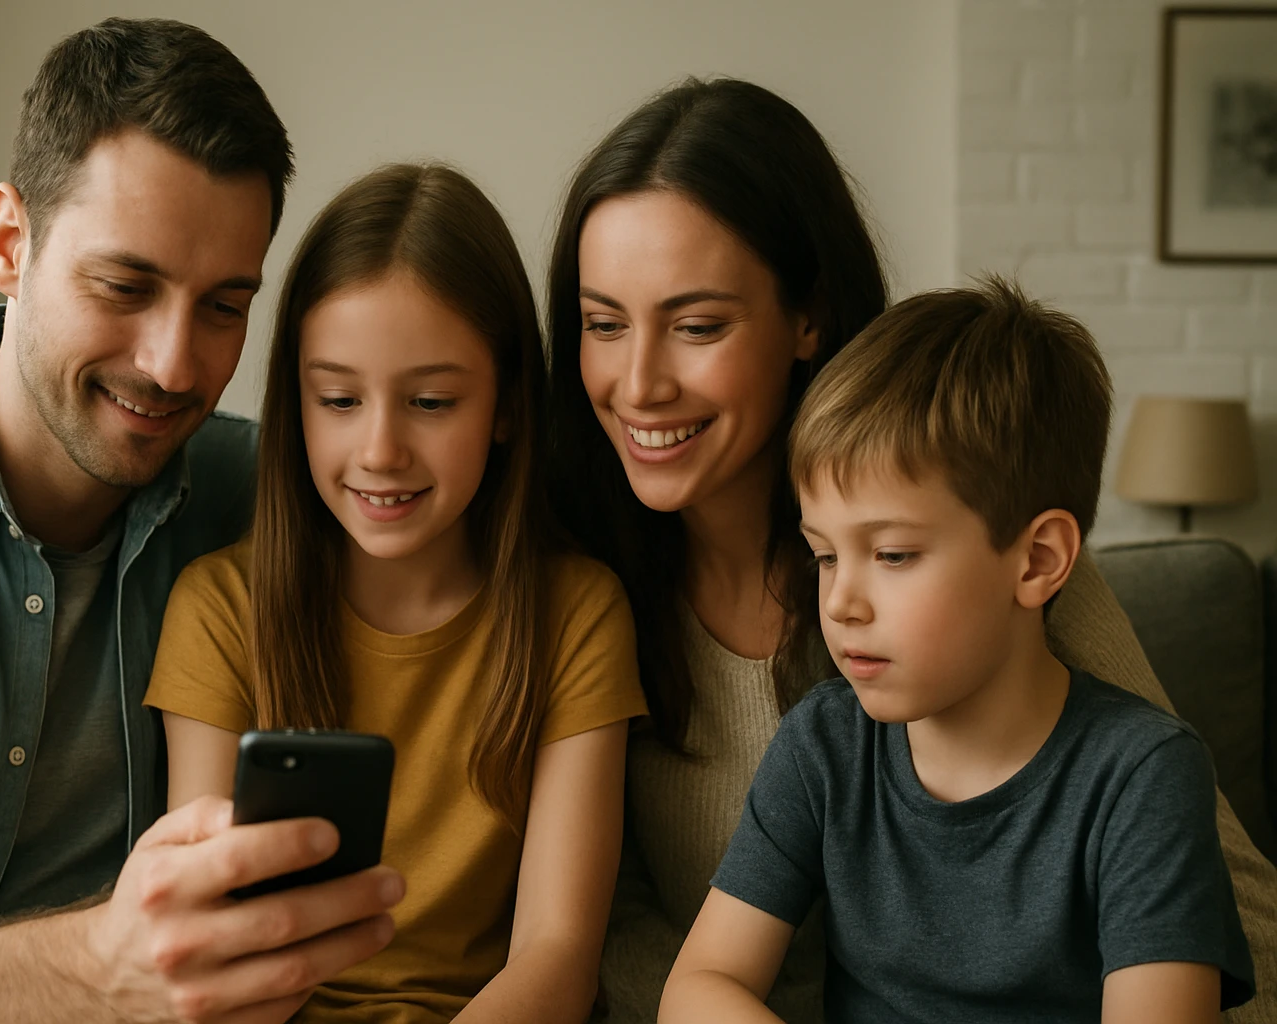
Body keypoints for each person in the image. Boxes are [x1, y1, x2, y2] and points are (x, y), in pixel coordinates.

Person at [544, 77, 1277, 1023]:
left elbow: (1228, 910)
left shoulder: (989, 543)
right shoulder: (584, 586)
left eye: (697, 326)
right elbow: (626, 942)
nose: (638, 383)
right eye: (603, 324)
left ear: (806, 316)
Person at [0, 19, 406, 1024]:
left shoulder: (268, 496)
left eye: (226, 306)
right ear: (11, 244)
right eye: (124, 287)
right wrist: (96, 967)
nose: (175, 364)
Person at [658, 279, 1254, 1023]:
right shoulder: (825, 746)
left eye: (895, 554)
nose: (840, 602)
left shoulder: (1141, 777)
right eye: (826, 556)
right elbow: (699, 987)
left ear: (1036, 561)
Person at [142, 162, 648, 1024]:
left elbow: (558, 959)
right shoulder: (220, 610)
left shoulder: (576, 614)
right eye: (338, 398)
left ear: (506, 408)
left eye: (430, 400)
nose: (380, 449)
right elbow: (211, 941)